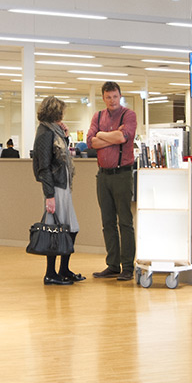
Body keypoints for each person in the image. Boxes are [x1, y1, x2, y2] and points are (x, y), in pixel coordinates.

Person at [87, 81, 137, 283]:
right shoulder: (98, 116)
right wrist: (111, 137)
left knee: (124, 221)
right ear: (103, 98)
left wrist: (102, 135)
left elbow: (123, 137)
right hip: (103, 176)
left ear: (120, 96)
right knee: (107, 222)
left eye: (115, 96)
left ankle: (128, 267)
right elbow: (91, 141)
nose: (112, 100)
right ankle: (113, 265)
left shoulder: (129, 115)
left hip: (122, 174)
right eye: (108, 97)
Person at [32, 96, 82, 284]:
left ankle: (63, 269)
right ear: (55, 112)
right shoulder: (45, 132)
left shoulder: (54, 131)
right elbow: (44, 166)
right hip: (56, 188)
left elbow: (59, 155)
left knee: (70, 228)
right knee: (56, 229)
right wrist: (49, 195)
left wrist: (66, 136)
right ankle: (51, 273)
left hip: (63, 186)